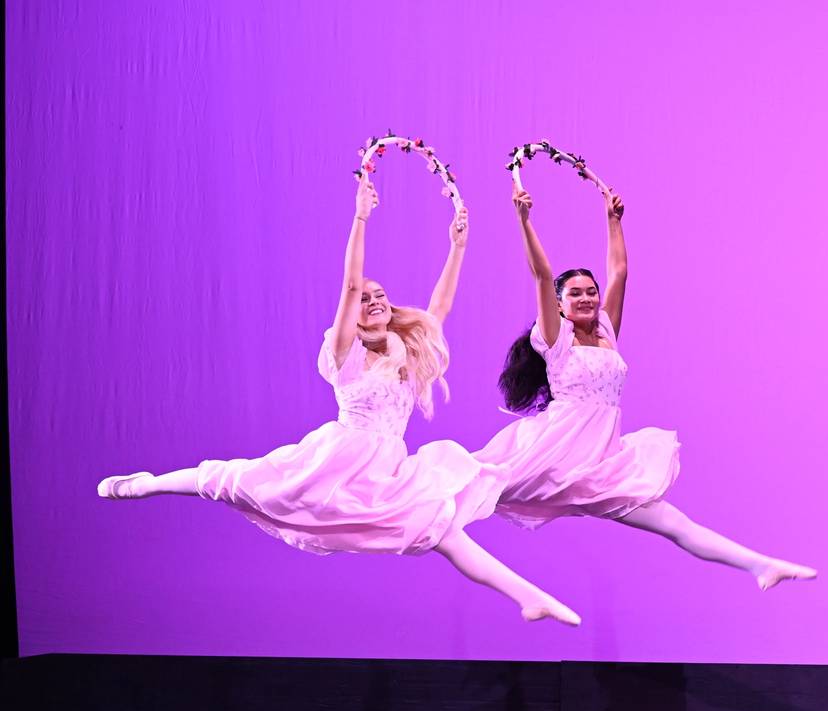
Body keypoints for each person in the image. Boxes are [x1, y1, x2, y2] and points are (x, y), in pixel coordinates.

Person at [98, 177, 581, 625]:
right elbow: (350, 284)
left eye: (381, 296)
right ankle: (147, 484)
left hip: (385, 468)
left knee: (442, 530)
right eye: (366, 298)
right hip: (337, 458)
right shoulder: (344, 352)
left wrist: (457, 248)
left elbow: (439, 309)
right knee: (232, 479)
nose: (373, 300)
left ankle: (530, 598)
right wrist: (361, 218)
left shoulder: (406, 353)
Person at [474, 184, 817, 591]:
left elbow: (619, 272)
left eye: (591, 291)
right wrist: (524, 220)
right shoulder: (554, 338)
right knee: (472, 492)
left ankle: (761, 566)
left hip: (603, 463)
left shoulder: (605, 332)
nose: (586, 298)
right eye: (574, 293)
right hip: (555, 453)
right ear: (559, 303)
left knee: (674, 523)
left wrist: (613, 222)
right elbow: (542, 273)